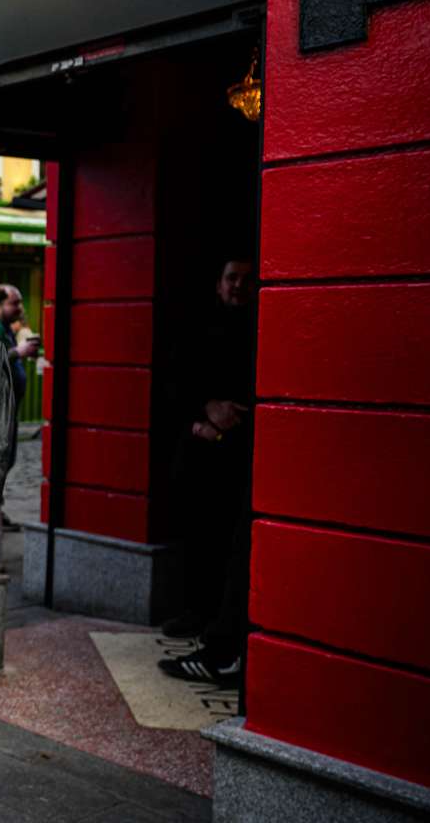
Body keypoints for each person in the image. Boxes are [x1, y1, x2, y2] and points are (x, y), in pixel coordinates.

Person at [158, 257, 257, 689]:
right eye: (231, 277)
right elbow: (177, 383)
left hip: (241, 455)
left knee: (231, 542)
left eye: (246, 279)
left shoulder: (259, 328)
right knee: (199, 534)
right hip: (201, 452)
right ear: (218, 284)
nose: (238, 286)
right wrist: (204, 414)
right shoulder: (198, 330)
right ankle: (198, 612)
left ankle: (221, 634)